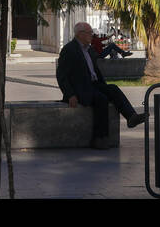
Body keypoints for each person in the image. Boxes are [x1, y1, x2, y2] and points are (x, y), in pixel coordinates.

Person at [57, 21, 146, 149]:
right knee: (101, 99)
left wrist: (102, 86)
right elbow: (62, 75)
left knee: (113, 89)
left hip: (94, 85)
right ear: (80, 34)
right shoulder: (69, 50)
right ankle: (99, 138)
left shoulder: (89, 49)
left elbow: (94, 71)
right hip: (80, 89)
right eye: (89, 33)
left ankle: (131, 117)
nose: (92, 36)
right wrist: (70, 94)